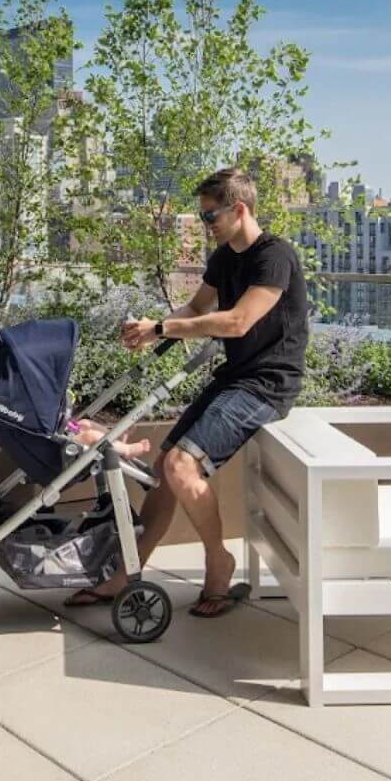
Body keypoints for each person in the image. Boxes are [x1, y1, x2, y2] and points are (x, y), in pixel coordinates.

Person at [68, 166, 310, 618]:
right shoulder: (224, 258)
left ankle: (219, 562)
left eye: (210, 216)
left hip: (268, 383)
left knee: (181, 466)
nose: (205, 224)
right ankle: (129, 570)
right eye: (202, 216)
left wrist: (164, 328)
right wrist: (153, 330)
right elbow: (197, 306)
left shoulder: (274, 256)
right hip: (236, 376)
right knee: (166, 466)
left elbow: (237, 321)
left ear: (239, 209)